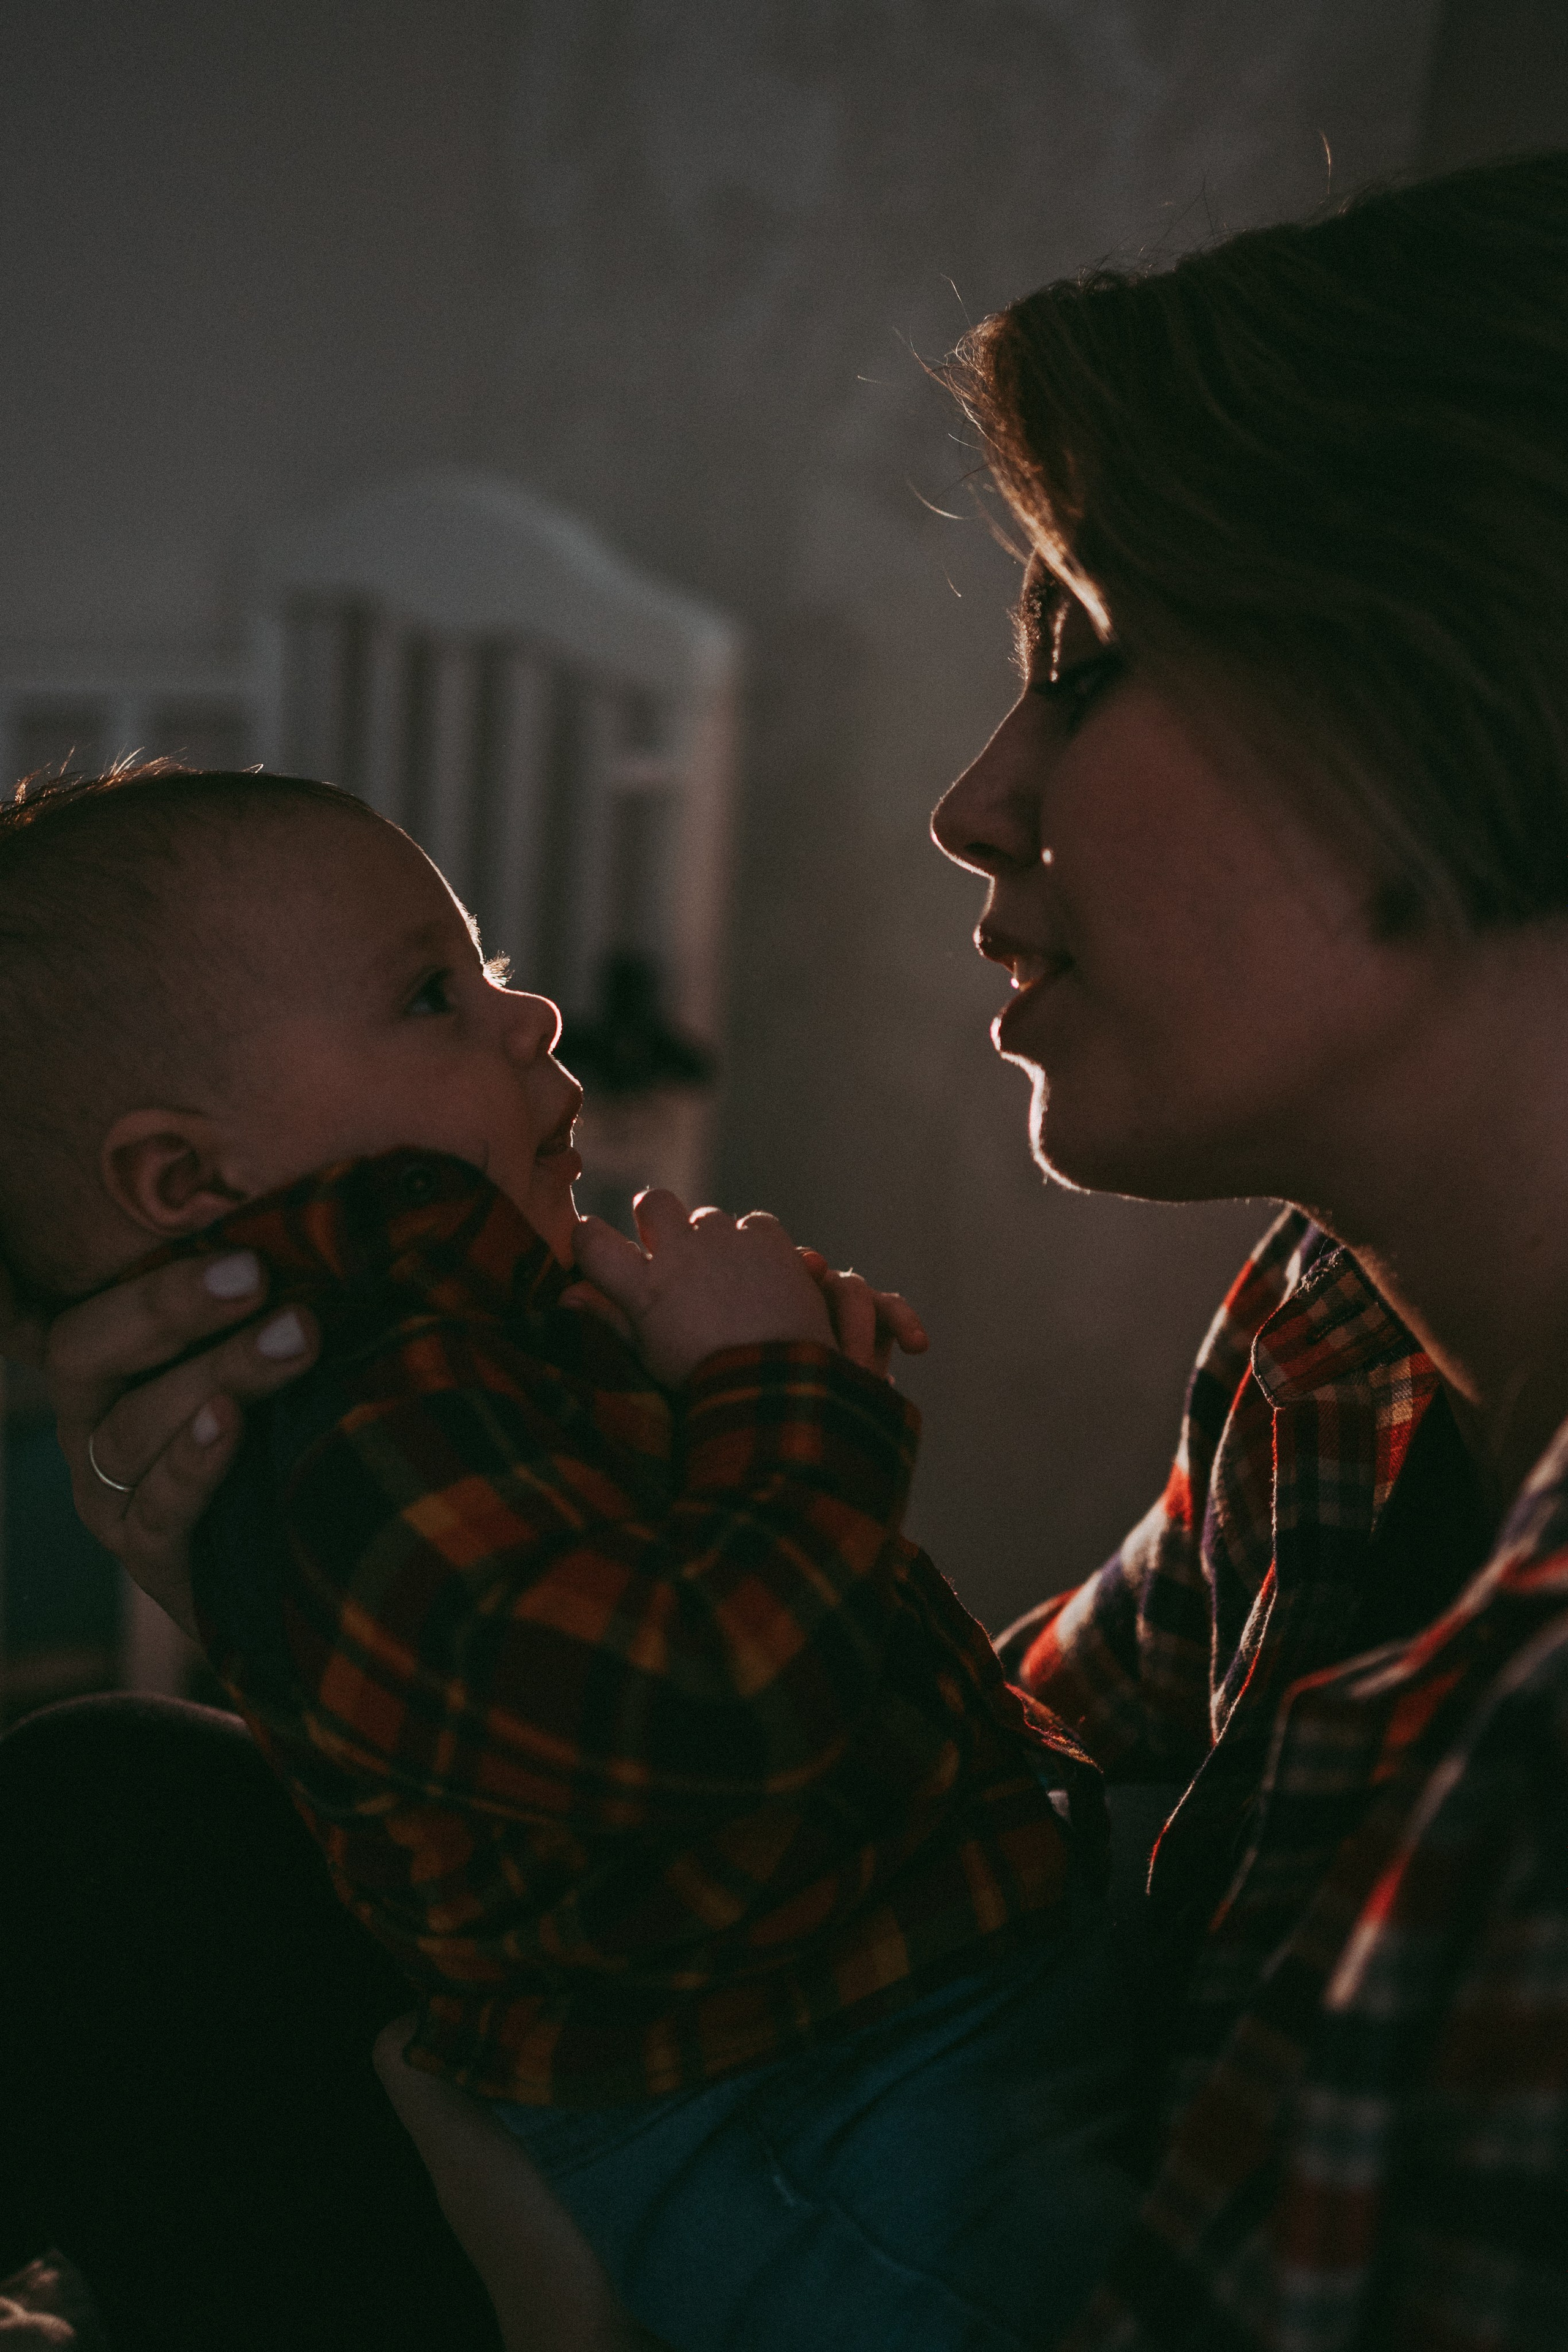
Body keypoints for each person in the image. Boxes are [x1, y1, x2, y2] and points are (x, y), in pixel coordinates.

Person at [5, 145, 1568, 2348]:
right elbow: (960, 1729)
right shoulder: (1336, 1339)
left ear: (1449, 664)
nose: (975, 796)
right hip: (829, 2073)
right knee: (117, 1816)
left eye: (1084, 656)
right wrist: (367, 1599)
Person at [0, 764, 1137, 2352]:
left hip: (862, 2019)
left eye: (485, 973)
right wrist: (781, 1404)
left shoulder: (467, 1355)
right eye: (429, 996)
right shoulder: (369, 1421)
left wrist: (740, 1398)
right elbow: (708, 1709)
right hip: (789, 2096)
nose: (529, 1019)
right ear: (189, 1183)